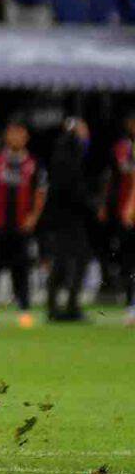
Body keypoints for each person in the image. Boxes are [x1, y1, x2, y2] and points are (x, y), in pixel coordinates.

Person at [0, 119, 47, 328]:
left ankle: (24, 311)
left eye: (20, 133)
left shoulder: (34, 163)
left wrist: (34, 216)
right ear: (6, 136)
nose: (16, 137)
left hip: (21, 225)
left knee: (21, 268)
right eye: (12, 133)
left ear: (26, 137)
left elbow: (40, 192)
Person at [44, 118, 96, 321]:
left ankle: (57, 306)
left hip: (62, 217)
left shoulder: (62, 151)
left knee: (65, 261)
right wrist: (90, 205)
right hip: (68, 218)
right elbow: (72, 187)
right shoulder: (71, 153)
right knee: (72, 260)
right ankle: (65, 306)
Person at [102, 113, 135, 319]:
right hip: (124, 212)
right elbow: (112, 177)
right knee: (128, 259)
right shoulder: (121, 148)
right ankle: (131, 304)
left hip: (128, 210)